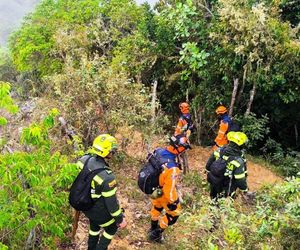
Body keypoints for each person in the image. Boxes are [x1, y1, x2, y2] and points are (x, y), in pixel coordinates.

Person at [76, 134, 127, 250]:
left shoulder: (83, 160)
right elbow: (112, 206)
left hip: (85, 205)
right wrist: (120, 219)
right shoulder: (107, 177)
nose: (113, 153)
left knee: (94, 226)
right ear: (106, 152)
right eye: (112, 151)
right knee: (111, 228)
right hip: (97, 210)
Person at [148, 135, 191, 243]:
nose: (184, 150)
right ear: (179, 147)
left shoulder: (158, 151)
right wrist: (173, 202)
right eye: (184, 148)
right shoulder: (173, 168)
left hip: (155, 189)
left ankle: (152, 227)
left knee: (157, 207)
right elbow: (169, 191)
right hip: (163, 192)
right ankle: (156, 234)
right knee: (174, 214)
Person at [206, 131, 249, 200]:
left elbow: (208, 165)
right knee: (223, 204)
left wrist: (208, 171)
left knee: (213, 199)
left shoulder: (219, 150)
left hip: (214, 181)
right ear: (241, 145)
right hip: (227, 187)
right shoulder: (238, 161)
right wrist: (244, 189)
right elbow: (240, 179)